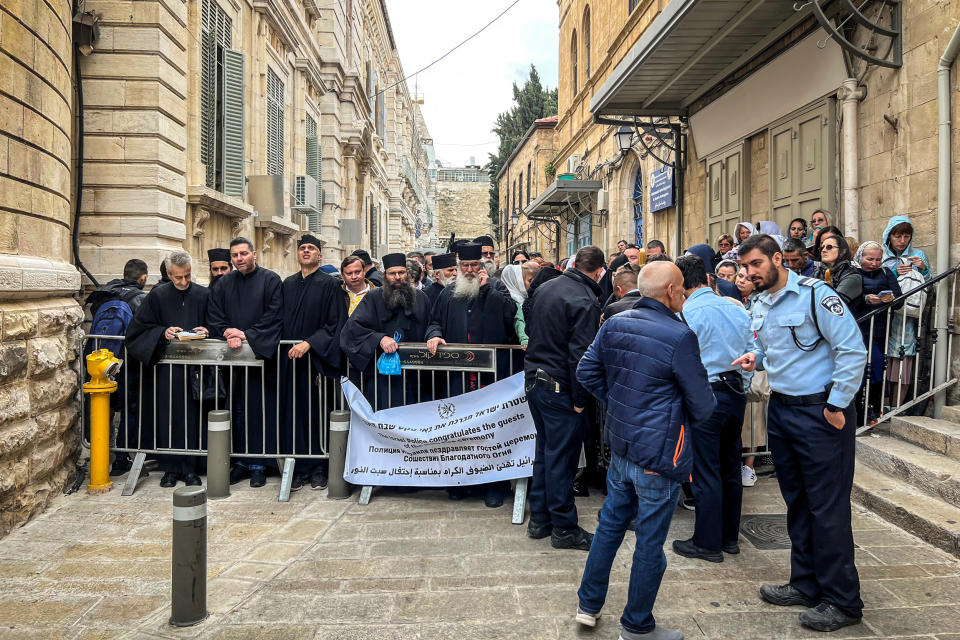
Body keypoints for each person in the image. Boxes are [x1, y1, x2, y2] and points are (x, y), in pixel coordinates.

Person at [733, 233, 867, 633]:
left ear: (778, 259)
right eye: (744, 267)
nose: (749, 273)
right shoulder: (761, 301)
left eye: (755, 264)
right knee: (797, 503)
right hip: (784, 411)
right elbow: (779, 347)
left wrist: (837, 404)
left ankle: (842, 602)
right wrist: (757, 357)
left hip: (821, 414)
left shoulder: (815, 295)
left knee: (827, 509)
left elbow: (851, 349)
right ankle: (806, 585)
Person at [575, 261, 714, 640]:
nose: (685, 293)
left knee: (609, 528)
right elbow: (703, 405)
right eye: (682, 287)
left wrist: (621, 404)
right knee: (650, 542)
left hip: (623, 445)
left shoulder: (616, 322)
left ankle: (588, 605)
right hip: (656, 453)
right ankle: (637, 625)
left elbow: (586, 372)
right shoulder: (679, 334)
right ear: (670, 291)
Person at [523, 245, 605, 550]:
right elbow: (581, 356)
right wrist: (581, 397)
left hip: (536, 380)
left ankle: (541, 520)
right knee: (562, 459)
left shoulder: (546, 287)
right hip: (558, 386)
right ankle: (564, 527)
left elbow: (530, 325)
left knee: (546, 453)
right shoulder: (584, 299)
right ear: (598, 272)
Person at [670, 255, 751, 564]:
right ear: (705, 279)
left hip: (707, 394)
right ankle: (729, 537)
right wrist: (742, 382)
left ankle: (707, 542)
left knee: (705, 470)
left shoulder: (686, 313)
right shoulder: (735, 307)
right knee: (731, 465)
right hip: (734, 391)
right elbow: (752, 349)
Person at [426, 243, 519, 507]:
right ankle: (460, 481)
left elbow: (511, 318)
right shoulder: (447, 294)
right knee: (460, 430)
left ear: (482, 266)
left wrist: (488, 290)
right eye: (465, 266)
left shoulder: (496, 289)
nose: (469, 271)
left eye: (474, 266)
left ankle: (495, 485)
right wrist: (434, 336)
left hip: (491, 378)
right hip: (459, 378)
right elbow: (434, 322)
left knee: (491, 432)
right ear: (458, 267)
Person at [124, 251, 209, 487]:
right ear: (169, 274)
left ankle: (191, 468)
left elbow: (217, 323)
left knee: (193, 419)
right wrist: (162, 332)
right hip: (165, 373)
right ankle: (170, 468)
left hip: (195, 370)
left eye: (187, 276)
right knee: (167, 417)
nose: (183, 282)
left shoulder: (203, 294)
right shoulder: (157, 296)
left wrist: (207, 330)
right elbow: (138, 329)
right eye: (178, 277)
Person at [206, 237, 283, 488]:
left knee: (260, 411)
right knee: (236, 410)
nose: (239, 259)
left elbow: (275, 315)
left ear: (255, 254)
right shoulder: (224, 283)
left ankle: (260, 464)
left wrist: (247, 334)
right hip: (234, 361)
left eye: (243, 254)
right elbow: (214, 315)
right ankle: (240, 462)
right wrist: (227, 331)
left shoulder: (270, 280)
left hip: (261, 359)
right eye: (235, 255)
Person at [280, 235, 346, 491]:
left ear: (320, 255)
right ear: (297, 254)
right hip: (291, 364)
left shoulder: (330, 285)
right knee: (293, 415)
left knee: (317, 414)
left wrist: (310, 343)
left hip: (317, 364)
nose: (306, 251)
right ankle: (298, 467)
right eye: (302, 248)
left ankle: (319, 468)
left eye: (312, 248)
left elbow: (334, 324)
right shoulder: (288, 284)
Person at [339, 253, 432, 410]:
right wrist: (379, 339)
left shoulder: (421, 298)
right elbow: (352, 330)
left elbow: (431, 325)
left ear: (407, 274)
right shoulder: (373, 298)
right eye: (392, 273)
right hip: (381, 378)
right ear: (384, 276)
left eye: (401, 273)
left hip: (415, 377)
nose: (397, 277)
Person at [86, 258, 149, 474]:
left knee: (105, 407)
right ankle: (122, 459)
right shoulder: (139, 298)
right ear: (143, 278)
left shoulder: (104, 293)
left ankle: (100, 455)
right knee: (130, 408)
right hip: (126, 362)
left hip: (98, 362)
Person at [881, 215, 931, 408]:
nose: (902, 241)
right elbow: (875, 281)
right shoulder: (883, 256)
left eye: (906, 236)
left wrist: (924, 269)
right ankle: (882, 404)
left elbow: (929, 287)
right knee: (885, 360)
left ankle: (897, 406)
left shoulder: (917, 254)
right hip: (887, 316)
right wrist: (894, 274)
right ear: (889, 236)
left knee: (903, 360)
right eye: (897, 236)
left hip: (908, 319)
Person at [854, 241, 902, 424]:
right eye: (869, 259)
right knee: (868, 368)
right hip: (861, 328)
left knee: (877, 369)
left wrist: (892, 299)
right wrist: (866, 299)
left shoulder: (886, 273)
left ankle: (871, 409)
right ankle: (863, 410)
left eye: (878, 259)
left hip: (881, 328)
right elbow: (849, 300)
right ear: (860, 257)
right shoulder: (854, 273)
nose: (874, 263)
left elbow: (899, 301)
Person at [735, 265, 767, 486]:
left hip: (754, 368)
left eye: (747, 278)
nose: (741, 281)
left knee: (754, 419)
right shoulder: (732, 301)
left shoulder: (760, 303)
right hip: (738, 366)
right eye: (739, 276)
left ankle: (749, 466)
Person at [814, 227, 863, 310]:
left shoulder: (852, 275)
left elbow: (833, 303)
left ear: (843, 251)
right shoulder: (818, 273)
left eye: (829, 247)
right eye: (822, 247)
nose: (823, 250)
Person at [500, 263, 530, 349]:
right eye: (523, 279)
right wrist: (524, 339)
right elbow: (519, 320)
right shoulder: (513, 299)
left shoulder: (520, 297)